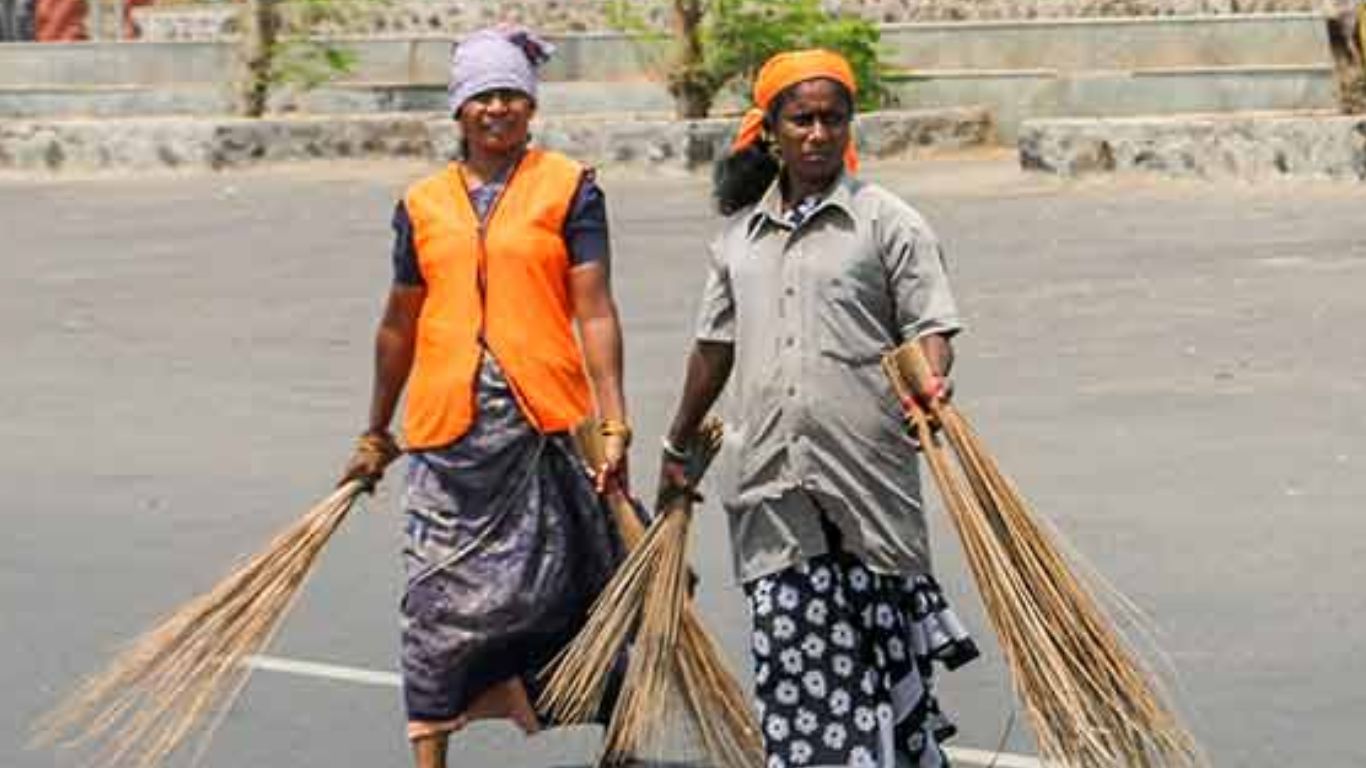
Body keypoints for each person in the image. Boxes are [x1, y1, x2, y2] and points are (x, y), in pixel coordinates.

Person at [656, 50, 980, 768]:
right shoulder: (738, 242)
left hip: (868, 491)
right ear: (770, 129)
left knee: (881, 693)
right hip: (773, 497)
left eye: (832, 118)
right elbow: (713, 350)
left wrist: (930, 380)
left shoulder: (885, 222)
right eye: (801, 119)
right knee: (798, 693)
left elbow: (932, 326)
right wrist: (679, 444)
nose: (817, 133)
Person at [338, 26, 631, 768]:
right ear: (458, 110)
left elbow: (594, 308)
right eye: (482, 97)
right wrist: (375, 431)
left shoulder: (569, 186)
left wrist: (615, 417)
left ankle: (619, 746)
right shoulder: (422, 204)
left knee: (577, 590)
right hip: (446, 438)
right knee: (436, 606)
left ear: (530, 106)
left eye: (511, 96)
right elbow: (398, 323)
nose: (497, 109)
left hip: (547, 429)